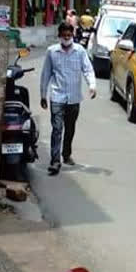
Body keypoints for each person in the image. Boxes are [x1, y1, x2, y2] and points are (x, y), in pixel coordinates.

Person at [40, 23, 97, 175]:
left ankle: (66, 154)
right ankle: (55, 160)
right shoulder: (52, 52)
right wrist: (43, 95)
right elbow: (45, 74)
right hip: (57, 96)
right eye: (64, 35)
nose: (66, 38)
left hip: (74, 98)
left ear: (72, 35)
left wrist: (92, 85)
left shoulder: (79, 51)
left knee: (70, 128)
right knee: (57, 128)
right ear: (59, 36)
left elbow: (88, 69)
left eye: (69, 35)